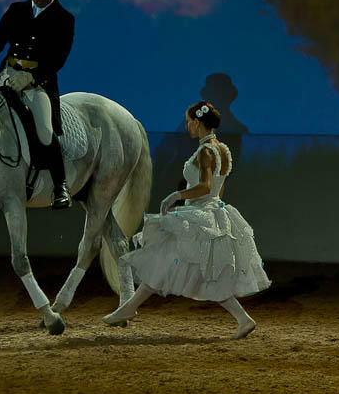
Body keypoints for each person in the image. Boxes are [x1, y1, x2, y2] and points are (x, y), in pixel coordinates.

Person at [103, 101, 271, 338]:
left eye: (189, 122)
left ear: (197, 122)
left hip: (199, 215)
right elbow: (219, 190)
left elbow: (205, 186)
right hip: (210, 211)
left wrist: (176, 196)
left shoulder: (205, 152)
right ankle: (129, 308)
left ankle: (129, 309)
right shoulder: (223, 149)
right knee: (175, 265)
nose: (187, 126)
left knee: (170, 262)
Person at [0, 0, 75, 209]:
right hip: (7, 75)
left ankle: (60, 185)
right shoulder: (16, 11)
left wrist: (32, 77)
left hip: (38, 83)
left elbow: (58, 58)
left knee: (45, 131)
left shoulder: (64, 19)